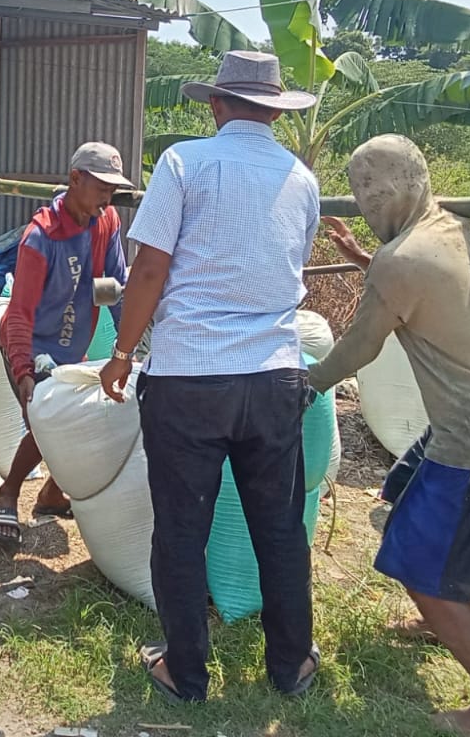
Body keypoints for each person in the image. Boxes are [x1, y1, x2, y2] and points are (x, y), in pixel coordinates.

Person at [310, 135, 470, 737]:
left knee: (418, 563)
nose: (366, 203)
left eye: (372, 192)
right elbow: (430, 290)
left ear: (399, 189)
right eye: (361, 192)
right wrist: (368, 260)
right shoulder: (460, 229)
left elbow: (359, 347)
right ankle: (441, 621)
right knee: (403, 492)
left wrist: (302, 384)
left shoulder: (401, 260)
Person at [99, 51, 321, 703]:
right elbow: (291, 267)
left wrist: (122, 352)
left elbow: (148, 269)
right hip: (275, 375)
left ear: (217, 105)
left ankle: (185, 672)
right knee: (280, 529)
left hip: (190, 376)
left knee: (181, 530)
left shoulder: (183, 163)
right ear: (274, 111)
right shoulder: (301, 179)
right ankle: (291, 666)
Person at [0, 142, 132, 547]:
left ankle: (52, 492)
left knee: (75, 421)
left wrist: (126, 347)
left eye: (112, 191)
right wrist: (23, 370)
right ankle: (7, 494)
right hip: (30, 344)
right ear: (75, 179)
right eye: (101, 188)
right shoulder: (41, 238)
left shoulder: (105, 222)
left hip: (68, 347)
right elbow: (20, 312)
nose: (107, 199)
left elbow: (113, 286)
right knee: (46, 425)